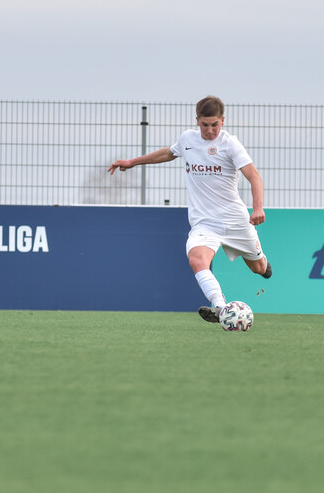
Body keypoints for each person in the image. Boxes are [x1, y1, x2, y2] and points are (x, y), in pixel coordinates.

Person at [108, 95, 272, 323]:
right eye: (205, 124)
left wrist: (257, 208)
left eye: (214, 124)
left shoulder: (230, 144)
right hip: (205, 223)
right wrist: (132, 162)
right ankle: (221, 308)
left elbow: (254, 176)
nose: (210, 130)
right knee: (197, 259)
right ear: (197, 121)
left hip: (235, 221)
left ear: (222, 121)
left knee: (258, 268)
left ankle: (263, 262)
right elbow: (169, 153)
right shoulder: (187, 139)